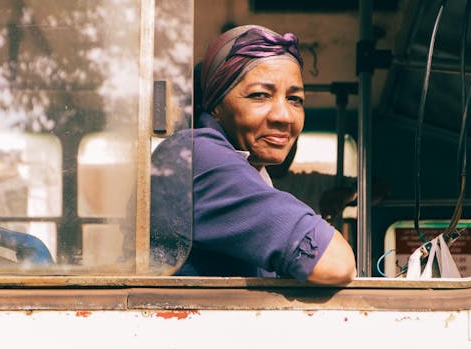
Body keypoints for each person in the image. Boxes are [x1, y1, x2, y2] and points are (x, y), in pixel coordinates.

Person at [150, 25, 356, 284]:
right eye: (260, 96)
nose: (284, 117)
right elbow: (334, 263)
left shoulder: (248, 167)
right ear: (216, 106)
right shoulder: (197, 156)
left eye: (295, 99)